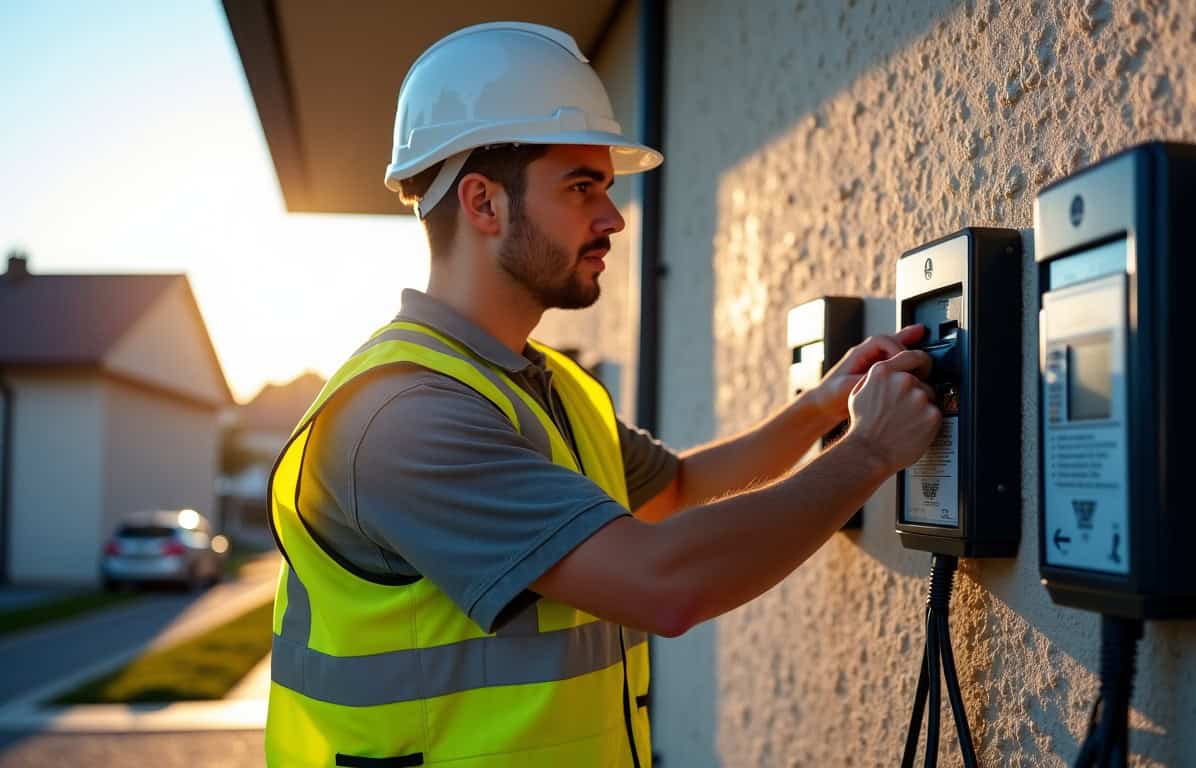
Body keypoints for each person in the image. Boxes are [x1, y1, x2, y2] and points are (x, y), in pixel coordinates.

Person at [263, 21, 940, 768]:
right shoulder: (404, 418)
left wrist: (822, 409)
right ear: (484, 205)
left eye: (607, 190)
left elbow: (676, 487)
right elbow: (663, 583)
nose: (613, 218)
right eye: (581, 187)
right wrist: (871, 453)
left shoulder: (538, 383)